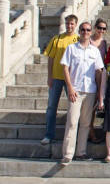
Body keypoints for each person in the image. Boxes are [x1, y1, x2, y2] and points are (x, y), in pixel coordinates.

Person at [59, 21, 104, 165]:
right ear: (79, 31)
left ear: (91, 32)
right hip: (76, 90)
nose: (85, 32)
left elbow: (99, 72)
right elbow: (65, 68)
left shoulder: (95, 51)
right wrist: (70, 87)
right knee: (72, 122)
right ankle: (68, 154)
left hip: (90, 90)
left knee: (85, 123)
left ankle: (81, 152)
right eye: (83, 30)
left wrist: (99, 91)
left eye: (88, 30)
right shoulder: (71, 48)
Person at [40, 15, 79, 145]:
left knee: (73, 107)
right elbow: (51, 58)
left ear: (76, 25)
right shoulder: (56, 39)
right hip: (56, 77)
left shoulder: (78, 39)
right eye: (67, 23)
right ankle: (48, 134)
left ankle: (72, 136)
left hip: (72, 80)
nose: (69, 26)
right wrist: (49, 76)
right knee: (52, 107)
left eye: (72, 24)